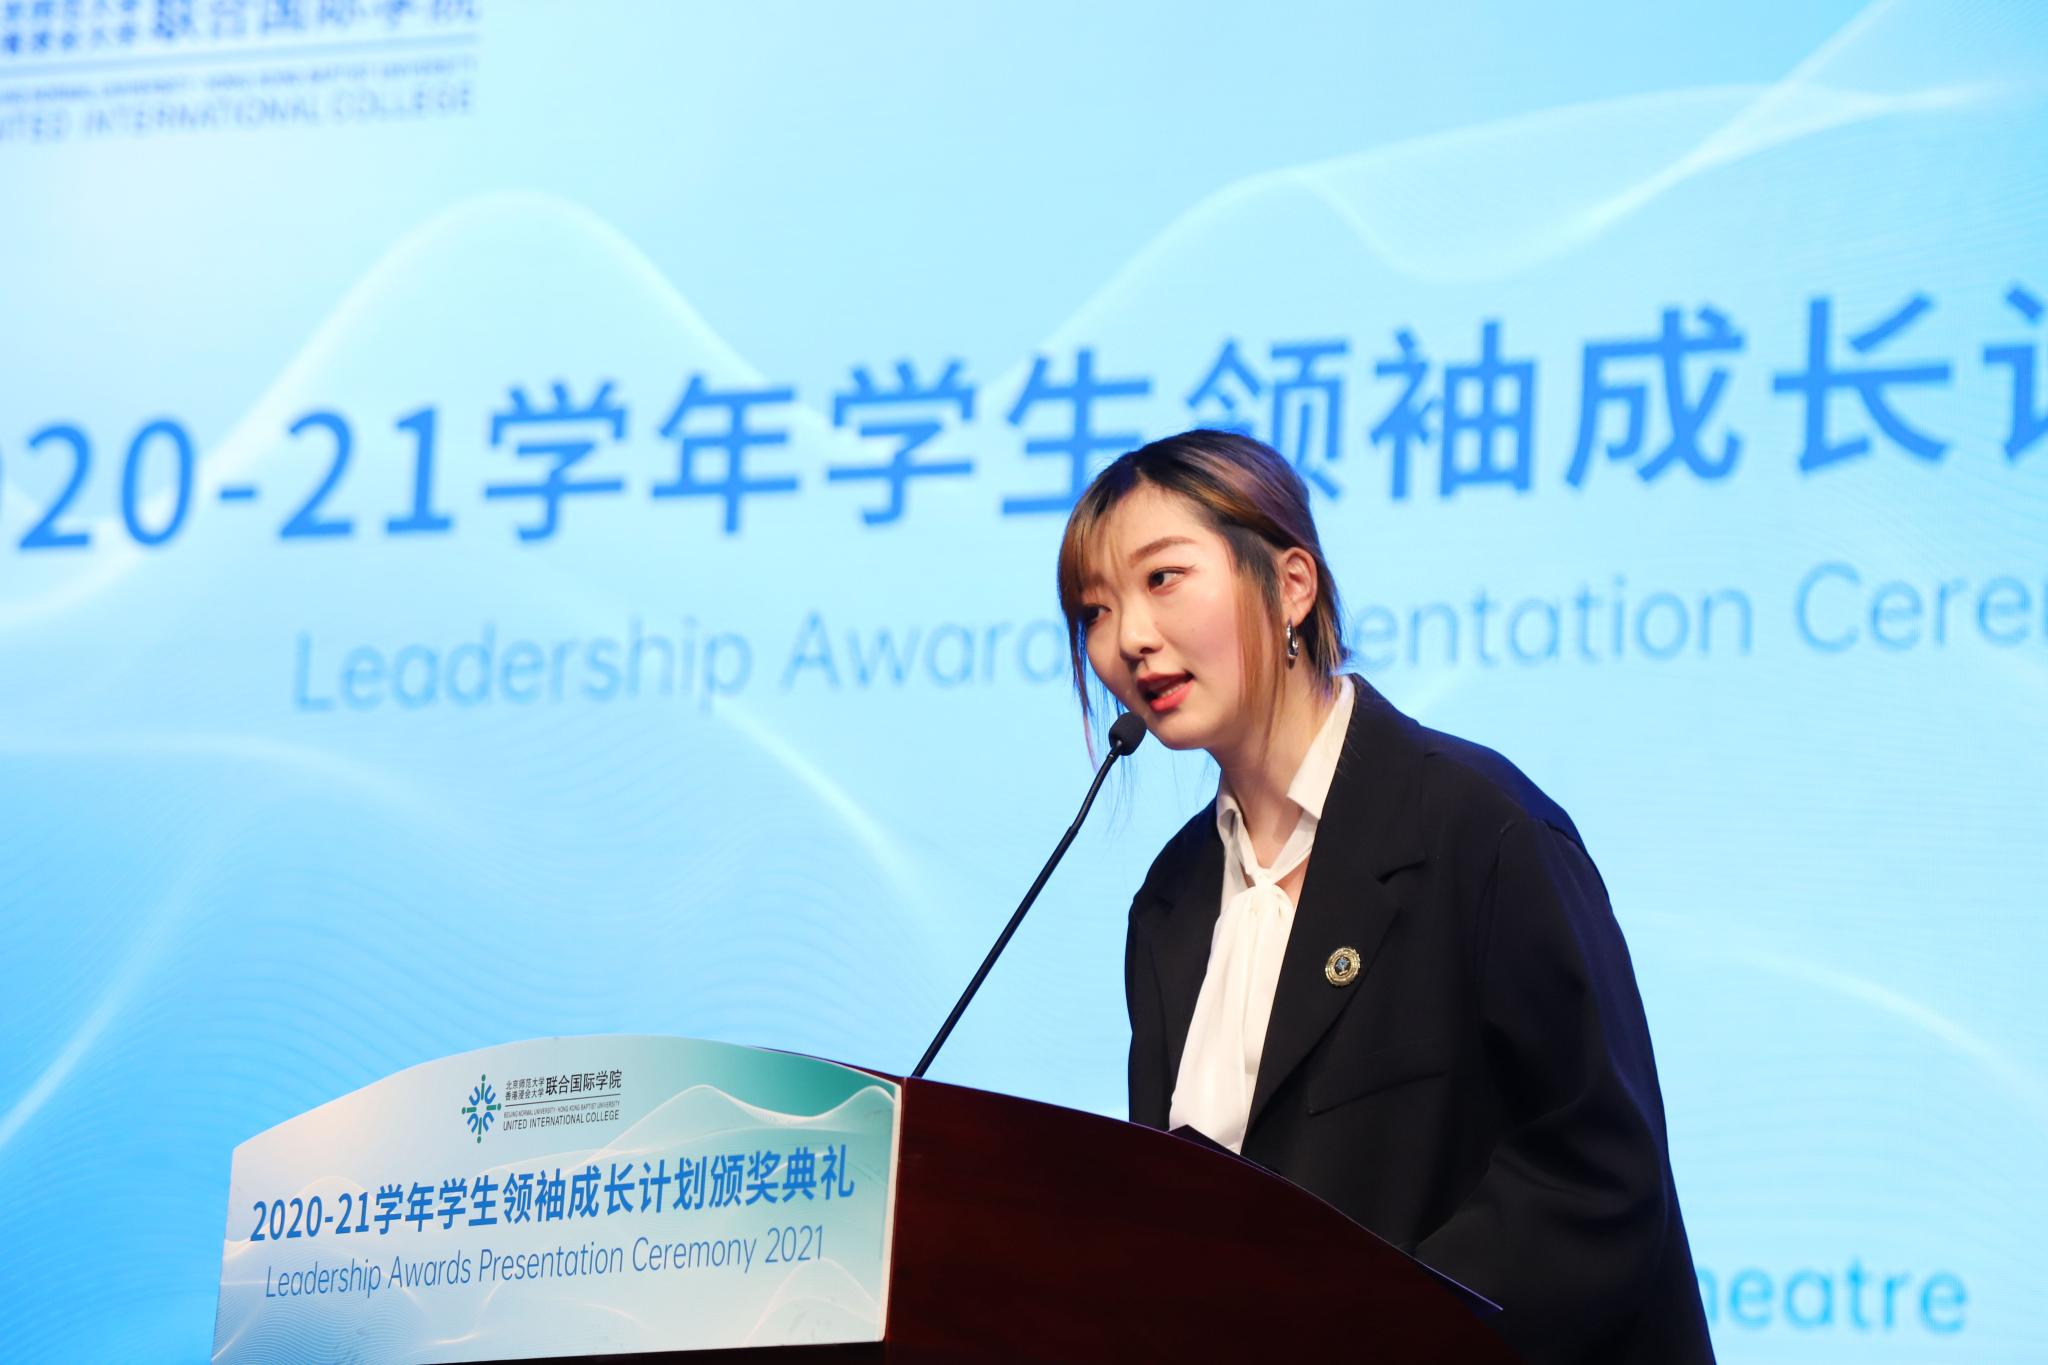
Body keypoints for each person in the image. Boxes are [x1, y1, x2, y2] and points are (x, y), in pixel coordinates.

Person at [1055, 429, 1715, 1365]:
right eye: (1095, 608)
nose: (1127, 638)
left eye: (1163, 578)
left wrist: (1374, 1326)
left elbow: (1597, 1175)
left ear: (1292, 582)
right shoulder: (1172, 898)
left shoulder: (1478, 827)